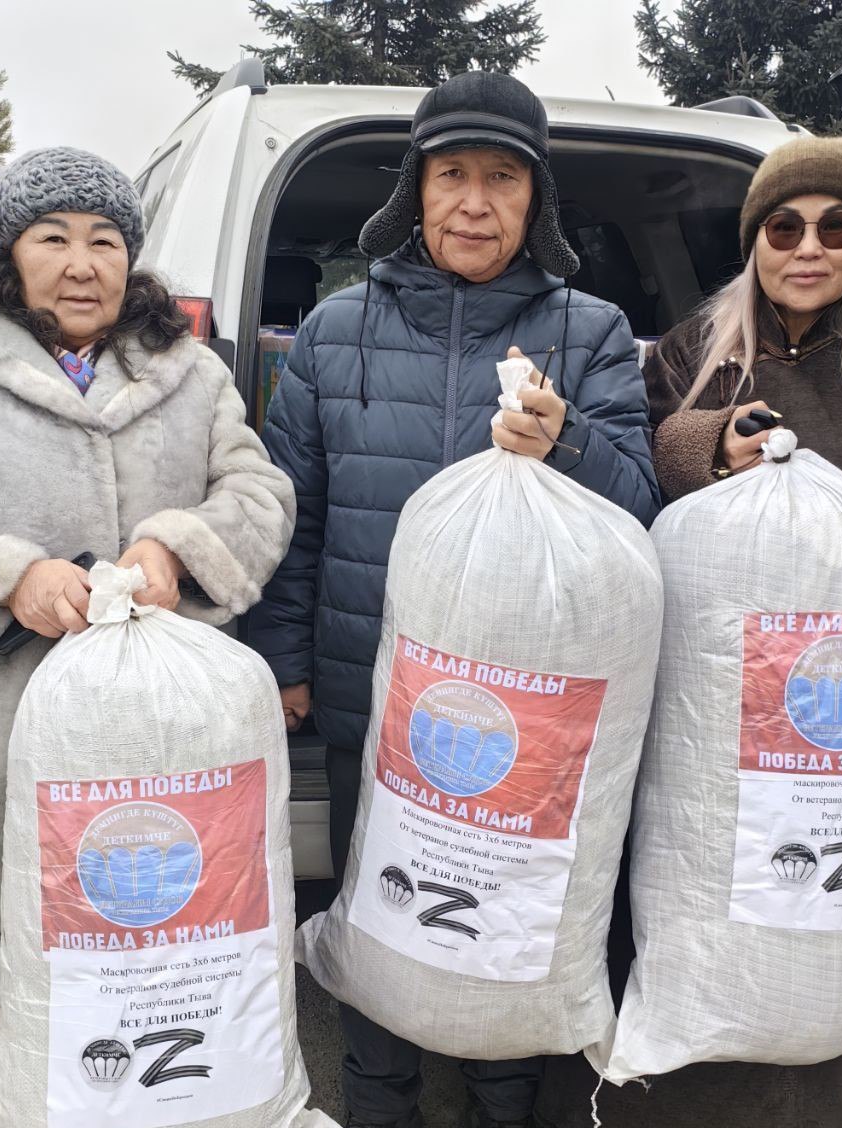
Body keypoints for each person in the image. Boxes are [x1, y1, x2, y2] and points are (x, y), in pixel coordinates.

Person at [537, 136, 842, 1128]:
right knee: (694, 919)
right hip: (701, 722)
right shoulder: (685, 354)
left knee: (832, 933)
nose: (808, 247)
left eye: (833, 227)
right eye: (783, 226)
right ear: (754, 238)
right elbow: (621, 480)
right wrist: (702, 445)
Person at [247, 70, 659, 1128]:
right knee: (381, 917)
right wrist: (285, 661)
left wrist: (562, 438)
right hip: (368, 699)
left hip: (529, 706)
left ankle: (501, 1105)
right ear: (414, 190)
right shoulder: (336, 330)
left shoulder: (590, 331)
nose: (474, 202)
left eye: (502, 178)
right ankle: (378, 1102)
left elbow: (640, 505)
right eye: (451, 175)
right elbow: (291, 513)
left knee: (510, 928)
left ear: (537, 200)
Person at [0, 147, 295, 1019]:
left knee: (169, 936)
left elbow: (261, 493)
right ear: (11, 256)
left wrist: (178, 550)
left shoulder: (191, 372)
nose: (83, 264)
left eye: (105, 240)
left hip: (170, 718)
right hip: (11, 714)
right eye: (53, 238)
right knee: (41, 969)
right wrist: (11, 579)